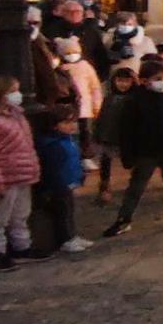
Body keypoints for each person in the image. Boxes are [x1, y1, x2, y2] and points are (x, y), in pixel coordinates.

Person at [103, 61, 163, 237]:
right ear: (143, 80)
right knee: (136, 186)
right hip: (145, 152)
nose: (162, 82)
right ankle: (124, 219)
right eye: (158, 79)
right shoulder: (134, 102)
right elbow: (127, 131)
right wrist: (128, 155)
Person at [0, 74, 49, 271]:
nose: (18, 94)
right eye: (12, 91)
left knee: (20, 215)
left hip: (22, 174)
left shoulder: (16, 116)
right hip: (5, 177)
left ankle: (21, 247)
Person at [35, 105, 94, 253]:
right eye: (66, 123)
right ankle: (66, 239)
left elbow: (73, 161)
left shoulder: (68, 140)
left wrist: (79, 176)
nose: (72, 126)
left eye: (74, 122)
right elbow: (54, 169)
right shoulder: (53, 145)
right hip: (59, 186)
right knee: (62, 212)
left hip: (68, 183)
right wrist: (60, 185)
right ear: (54, 125)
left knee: (69, 210)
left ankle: (72, 236)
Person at [54, 37, 101, 171]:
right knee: (70, 134)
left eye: (74, 52)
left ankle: (86, 157)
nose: (71, 55)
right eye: (67, 53)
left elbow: (95, 87)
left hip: (85, 108)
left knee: (86, 133)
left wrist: (96, 104)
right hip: (68, 108)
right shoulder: (59, 69)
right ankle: (72, 157)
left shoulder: (86, 67)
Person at [94, 68, 137, 204]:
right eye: (119, 81)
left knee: (133, 162)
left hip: (128, 137)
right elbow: (102, 117)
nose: (122, 84)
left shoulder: (135, 99)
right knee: (106, 161)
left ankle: (135, 186)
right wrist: (98, 134)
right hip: (109, 136)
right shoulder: (109, 98)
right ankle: (104, 186)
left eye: (126, 81)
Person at [42, 0, 111, 78]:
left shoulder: (90, 31)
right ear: (63, 13)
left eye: (77, 11)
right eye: (70, 11)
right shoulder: (53, 30)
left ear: (82, 14)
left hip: (87, 74)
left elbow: (100, 54)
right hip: (61, 76)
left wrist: (101, 76)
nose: (74, 14)